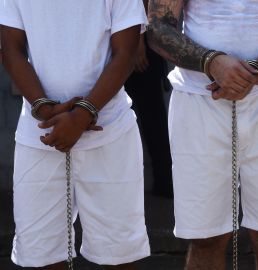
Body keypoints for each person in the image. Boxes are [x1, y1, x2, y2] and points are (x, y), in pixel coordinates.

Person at [147, 0, 258, 269]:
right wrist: (213, 63)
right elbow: (159, 29)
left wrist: (256, 70)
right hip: (199, 98)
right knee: (205, 237)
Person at [0, 0, 150, 269]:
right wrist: (47, 111)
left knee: (119, 258)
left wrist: (82, 114)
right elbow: (11, 49)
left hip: (110, 133)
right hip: (40, 136)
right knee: (42, 257)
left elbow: (126, 53)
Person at [125, 0, 174, 199]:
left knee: (153, 117)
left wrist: (138, 39)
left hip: (140, 40)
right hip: (106, 40)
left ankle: (165, 184)